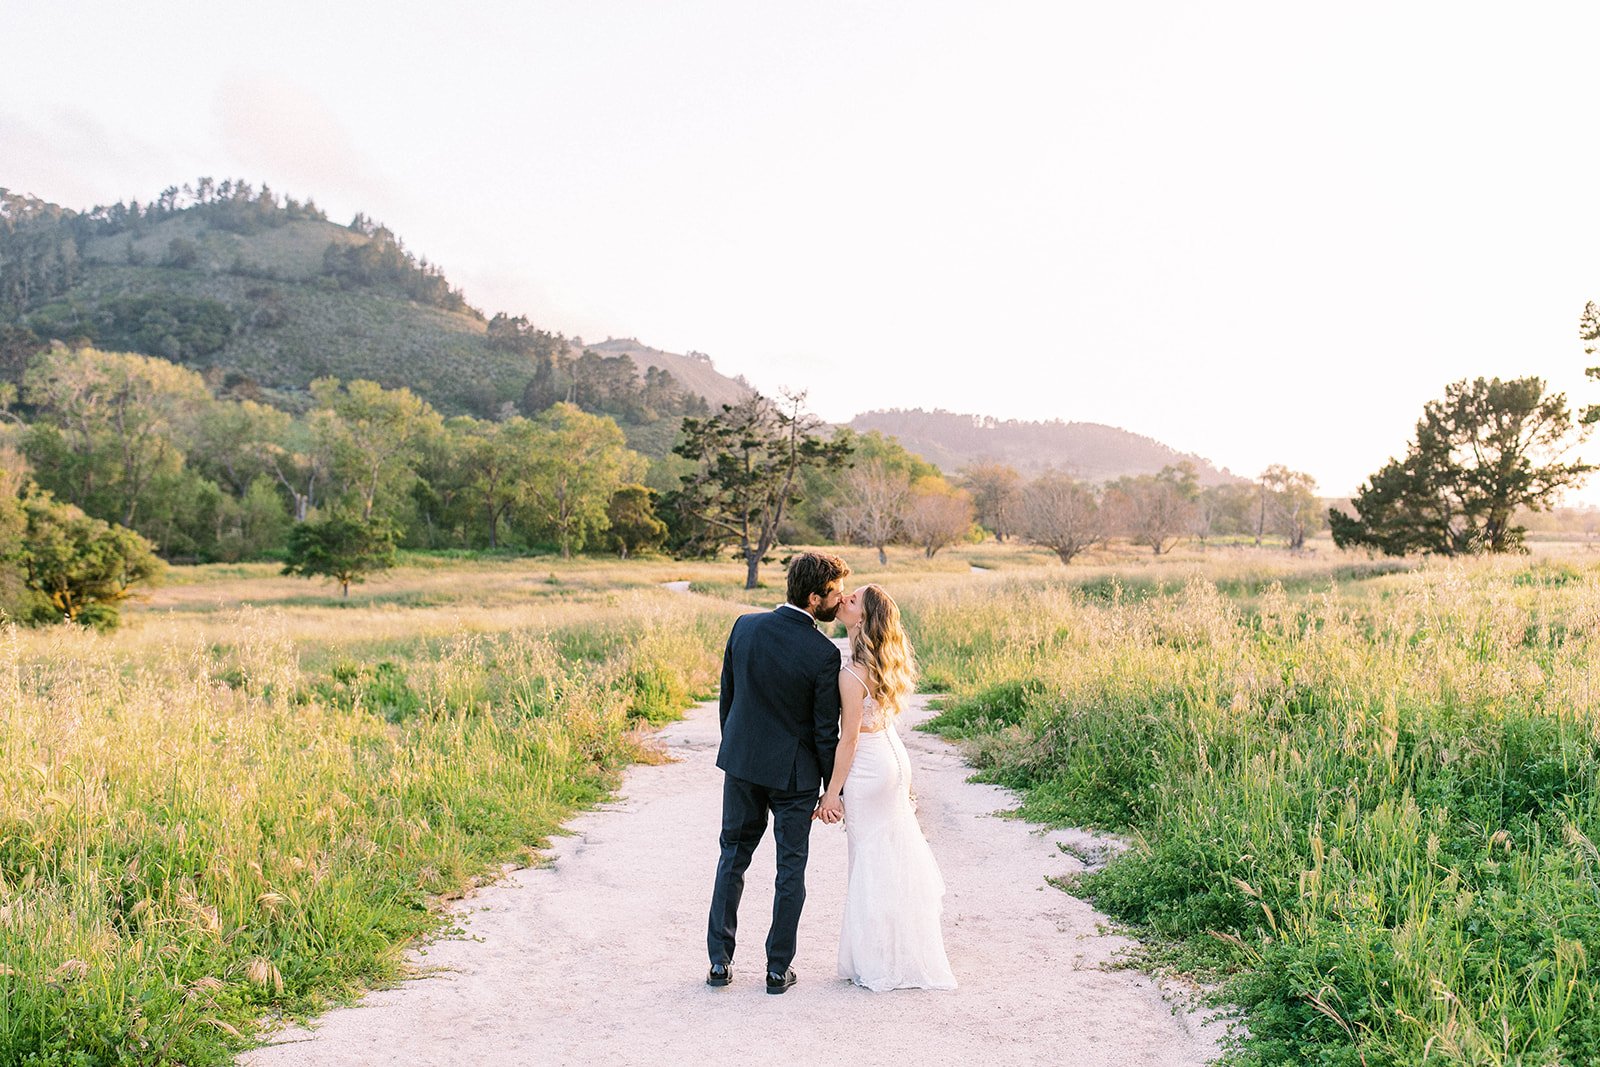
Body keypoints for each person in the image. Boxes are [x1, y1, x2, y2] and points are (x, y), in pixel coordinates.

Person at [705, 551, 849, 995]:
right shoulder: (824, 653)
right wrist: (832, 790)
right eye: (836, 595)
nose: (840, 603)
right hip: (794, 778)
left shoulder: (744, 626)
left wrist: (736, 749)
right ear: (813, 597)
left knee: (732, 856)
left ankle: (718, 964)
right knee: (791, 869)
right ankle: (776, 969)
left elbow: (727, 699)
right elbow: (825, 732)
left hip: (743, 765)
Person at [823, 583, 957, 991]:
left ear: (863, 617)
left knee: (870, 860)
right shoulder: (879, 661)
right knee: (888, 856)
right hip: (893, 759)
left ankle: (879, 960)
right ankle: (892, 952)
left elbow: (849, 740)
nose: (844, 599)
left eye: (853, 599)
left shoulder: (852, 673)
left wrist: (832, 793)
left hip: (868, 768)